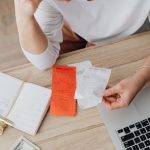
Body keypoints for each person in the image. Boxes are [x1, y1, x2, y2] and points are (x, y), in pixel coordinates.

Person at [14, 0, 150, 109]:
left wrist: (142, 77)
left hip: (137, 28)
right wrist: (23, 16)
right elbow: (43, 61)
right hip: (81, 28)